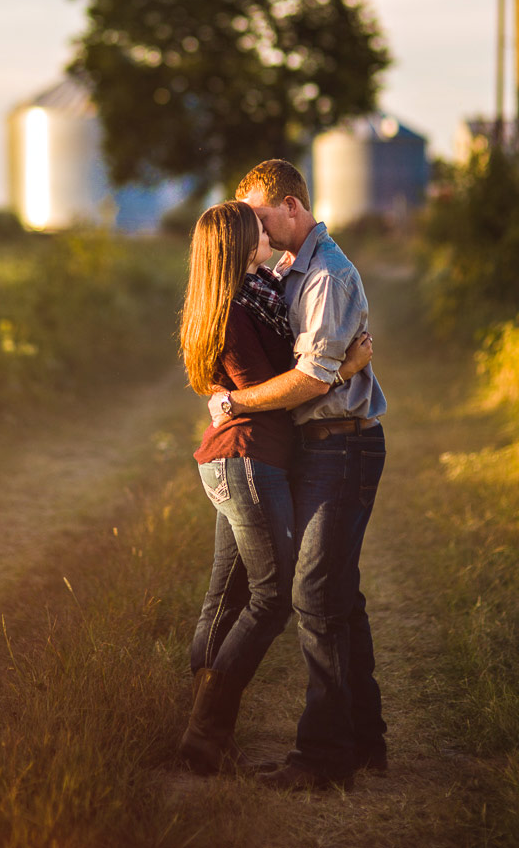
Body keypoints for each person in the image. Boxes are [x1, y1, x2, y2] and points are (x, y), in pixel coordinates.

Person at [208, 159, 387, 792]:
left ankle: (321, 758)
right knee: (339, 596)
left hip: (342, 445)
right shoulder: (289, 272)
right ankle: (366, 743)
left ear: (290, 207)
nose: (251, 227)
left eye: (257, 215)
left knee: (314, 597)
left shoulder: (328, 277)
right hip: (316, 447)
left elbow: (310, 377)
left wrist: (236, 402)